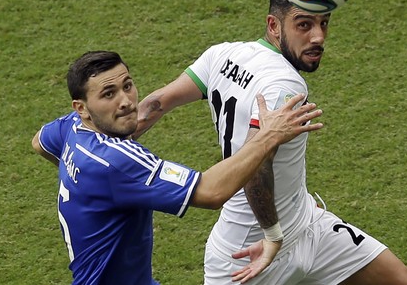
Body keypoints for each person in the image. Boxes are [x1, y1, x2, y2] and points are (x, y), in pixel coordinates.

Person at [134, 0, 407, 285]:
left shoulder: (221, 55)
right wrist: (273, 235)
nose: (318, 37)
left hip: (308, 227)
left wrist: (104, 141)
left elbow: (156, 104)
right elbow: (256, 165)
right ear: (274, 25)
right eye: (303, 25)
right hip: (249, 253)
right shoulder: (284, 83)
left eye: (323, 23)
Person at [31, 50, 324, 285]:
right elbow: (211, 192)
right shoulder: (115, 162)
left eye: (127, 86)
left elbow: (39, 143)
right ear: (81, 107)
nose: (126, 101)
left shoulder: (71, 129)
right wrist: (269, 135)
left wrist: (86, 181)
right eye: (108, 94)